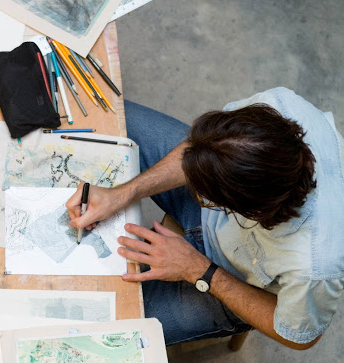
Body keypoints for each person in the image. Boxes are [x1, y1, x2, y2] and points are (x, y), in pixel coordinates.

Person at [66, 88, 344, 349]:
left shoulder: (316, 266)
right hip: (227, 197)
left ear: (249, 211)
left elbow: (298, 336)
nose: (195, 192)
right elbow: (197, 150)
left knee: (98, 330)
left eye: (205, 195)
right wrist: (123, 193)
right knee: (102, 114)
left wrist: (199, 270)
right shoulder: (278, 106)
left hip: (232, 279)